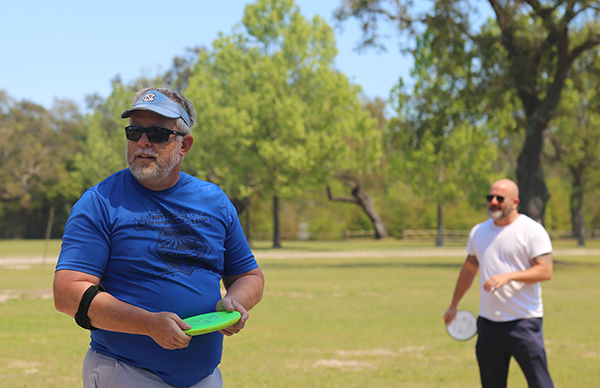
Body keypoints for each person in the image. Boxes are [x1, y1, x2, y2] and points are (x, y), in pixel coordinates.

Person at [53, 87, 265, 388]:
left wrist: (234, 302)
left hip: (205, 377)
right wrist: (148, 324)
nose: (143, 141)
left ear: (184, 145)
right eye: (135, 130)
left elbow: (249, 276)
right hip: (126, 372)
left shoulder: (214, 200)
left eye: (158, 133)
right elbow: (68, 293)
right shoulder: (99, 202)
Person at [443, 179, 554, 388]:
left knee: (540, 383)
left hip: (524, 322)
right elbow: (469, 269)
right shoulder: (479, 232)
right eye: (490, 197)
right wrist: (453, 305)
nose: (493, 202)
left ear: (515, 201)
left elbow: (545, 270)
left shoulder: (531, 230)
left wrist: (509, 276)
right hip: (488, 324)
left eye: (499, 198)